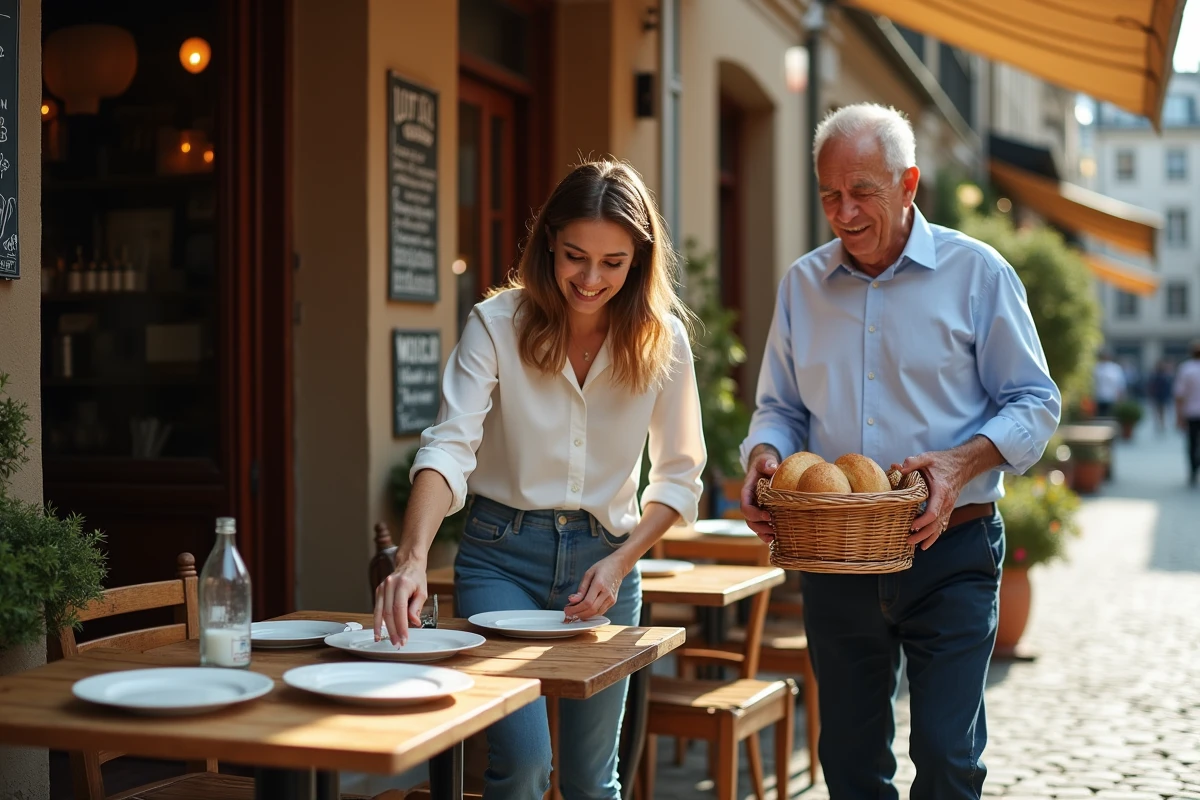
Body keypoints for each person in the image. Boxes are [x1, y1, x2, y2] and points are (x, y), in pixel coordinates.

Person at [739, 103, 1061, 799]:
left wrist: (958, 463)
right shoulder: (802, 285)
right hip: (836, 558)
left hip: (953, 551)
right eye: (829, 193)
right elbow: (781, 409)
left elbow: (1035, 402)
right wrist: (765, 455)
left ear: (909, 183)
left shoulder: (978, 274)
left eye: (863, 192)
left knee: (948, 757)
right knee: (851, 765)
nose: (844, 212)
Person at [374, 159, 706, 799]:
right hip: (500, 561)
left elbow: (678, 478)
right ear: (549, 240)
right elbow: (449, 447)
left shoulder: (663, 341)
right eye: (575, 255)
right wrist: (414, 559)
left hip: (607, 568)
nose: (589, 279)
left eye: (613, 263)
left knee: (590, 781)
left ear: (637, 260)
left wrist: (621, 562)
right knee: (523, 765)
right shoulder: (496, 325)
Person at [1175, 340, 1200, 487]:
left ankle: (1193, 470)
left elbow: (1179, 395)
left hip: (1191, 412)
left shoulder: (1186, 369)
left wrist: (1179, 416)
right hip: (1192, 411)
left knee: (1191, 443)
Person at [1092, 350, 1126, 418]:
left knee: (1110, 416)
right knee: (1100, 416)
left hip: (1112, 397)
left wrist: (1120, 396)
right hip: (1099, 396)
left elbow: (1120, 384)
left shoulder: (1115, 368)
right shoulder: (1097, 367)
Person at [1148, 360, 1175, 433]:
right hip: (1158, 396)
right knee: (1158, 411)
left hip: (1162, 396)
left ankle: (1161, 425)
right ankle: (1160, 425)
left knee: (1161, 411)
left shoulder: (1165, 376)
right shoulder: (1156, 376)